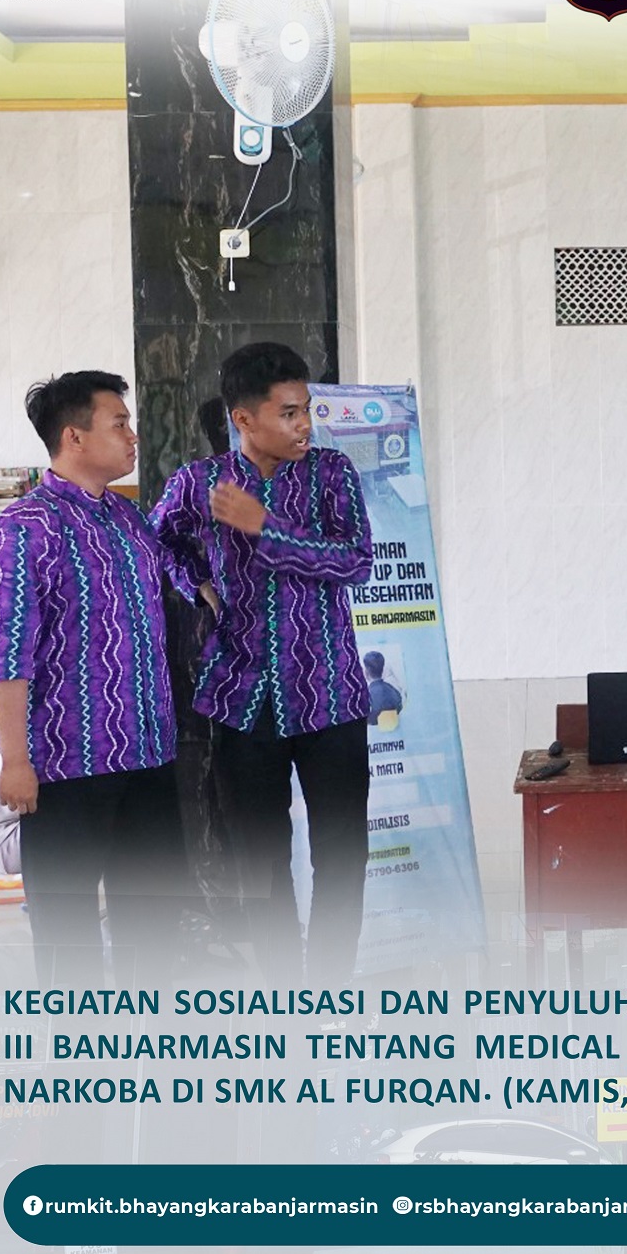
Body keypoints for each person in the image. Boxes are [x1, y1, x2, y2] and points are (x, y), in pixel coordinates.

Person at [151, 343, 374, 986]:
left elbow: (356, 561)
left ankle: (329, 991)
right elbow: (158, 538)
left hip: (330, 694)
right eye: (289, 413)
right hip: (241, 698)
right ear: (243, 419)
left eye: (307, 409)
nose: (305, 425)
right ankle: (282, 994)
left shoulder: (331, 473)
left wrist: (265, 527)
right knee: (261, 861)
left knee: (342, 856)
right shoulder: (201, 482)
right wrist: (196, 584)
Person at [0, 371, 187, 986]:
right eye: (119, 423)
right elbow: (7, 655)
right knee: (67, 934)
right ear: (74, 436)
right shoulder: (25, 526)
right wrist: (16, 760)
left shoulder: (129, 519)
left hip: (148, 754)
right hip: (67, 765)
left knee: (154, 920)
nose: (133, 436)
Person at [363, 651, 404, 726]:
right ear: (382, 670)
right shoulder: (394, 690)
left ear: (366, 672)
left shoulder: (366, 696)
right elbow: (400, 709)